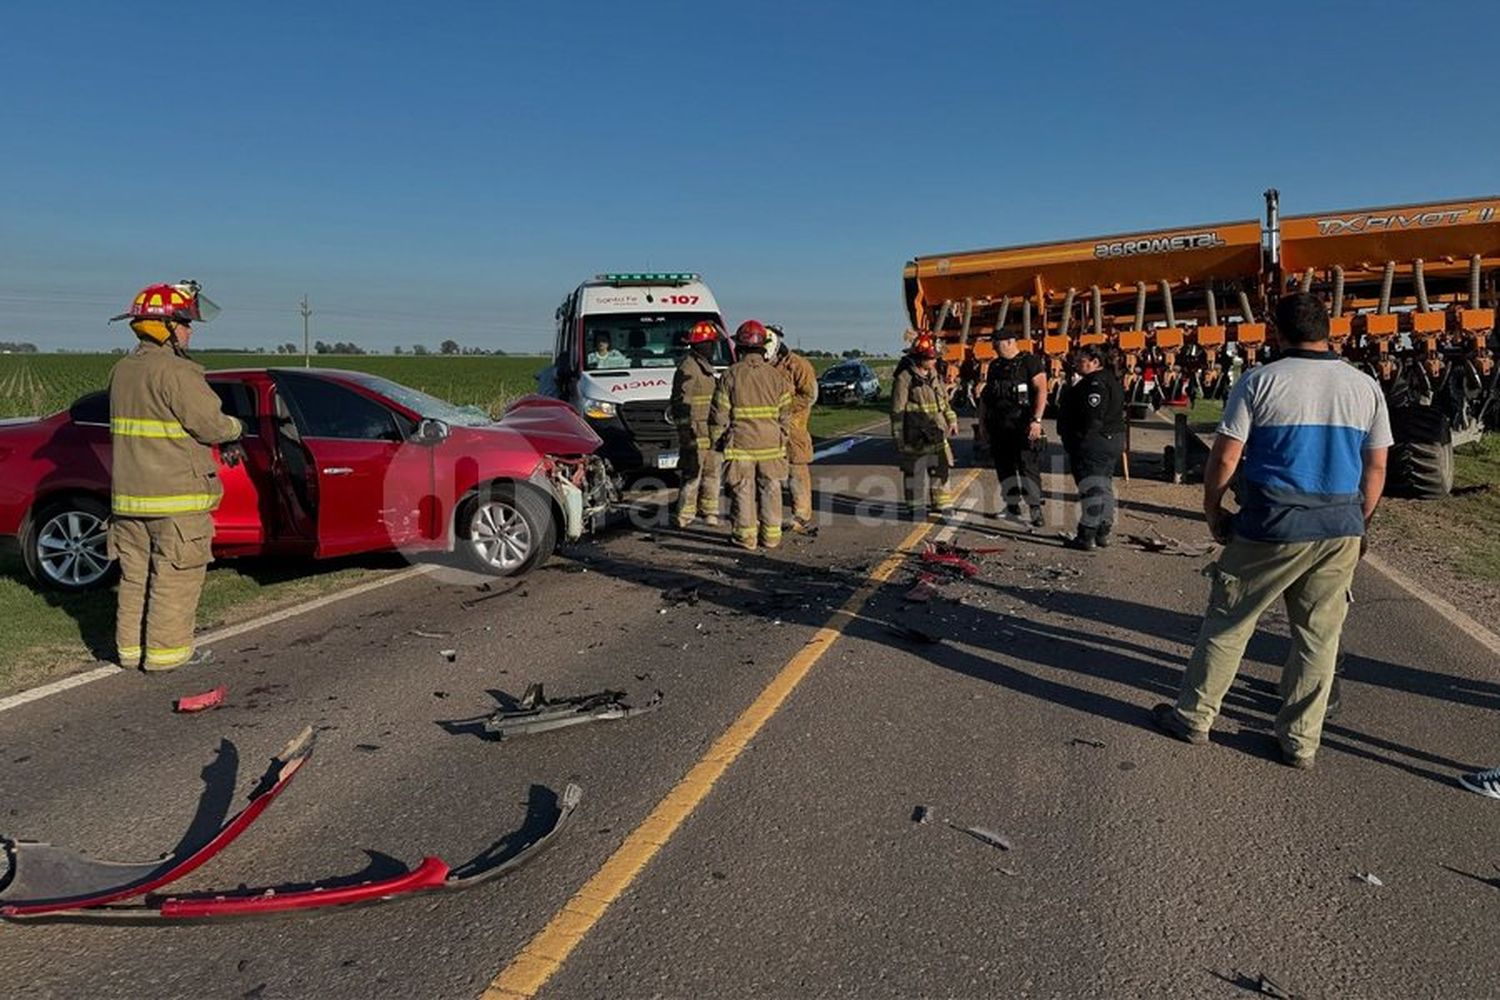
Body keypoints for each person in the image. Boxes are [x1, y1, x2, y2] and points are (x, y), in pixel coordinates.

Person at [1152, 293, 1391, 769]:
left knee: (1230, 621)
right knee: (1318, 638)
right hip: (1339, 528)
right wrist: (1357, 521)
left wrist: (1213, 510)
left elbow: (1225, 457)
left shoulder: (1259, 382)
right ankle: (1300, 743)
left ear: (1276, 331)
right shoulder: (1364, 386)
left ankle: (1195, 717)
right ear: (1329, 328)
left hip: (1271, 524)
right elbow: (1377, 465)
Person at [107, 281, 245, 671]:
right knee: (175, 577)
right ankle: (168, 656)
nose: (190, 330)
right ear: (163, 327)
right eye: (184, 322)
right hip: (175, 499)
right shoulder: (177, 372)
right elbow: (210, 426)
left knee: (134, 579)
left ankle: (129, 652)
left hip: (130, 500)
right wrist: (237, 428)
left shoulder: (123, 371)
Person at [709, 320, 792, 550]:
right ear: (763, 347)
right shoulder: (777, 377)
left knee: (743, 491)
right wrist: (782, 438)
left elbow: (719, 414)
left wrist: (717, 440)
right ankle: (772, 537)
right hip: (771, 445)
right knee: (771, 490)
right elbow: (786, 414)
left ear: (740, 347)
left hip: (741, 445)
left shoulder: (730, 375)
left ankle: (746, 538)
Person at [1056, 345, 1125, 550]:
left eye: (1082, 359)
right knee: (1103, 486)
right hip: (1108, 439)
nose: (1077, 362)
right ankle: (1102, 531)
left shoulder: (1095, 384)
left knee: (1092, 487)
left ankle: (1087, 534)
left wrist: (1080, 440)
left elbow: (1092, 416)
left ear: (1095, 362)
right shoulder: (1109, 379)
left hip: (1094, 442)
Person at [979, 328, 1047, 525]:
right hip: (999, 425)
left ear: (1010, 341)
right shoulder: (994, 366)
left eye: (996, 342)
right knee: (1004, 467)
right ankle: (1011, 506)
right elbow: (986, 397)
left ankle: (1035, 509)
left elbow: (1042, 390)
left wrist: (1037, 420)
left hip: (1023, 424)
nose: (993, 346)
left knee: (1028, 467)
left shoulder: (1030, 362)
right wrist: (982, 423)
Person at [890, 333, 958, 515]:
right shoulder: (904, 378)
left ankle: (942, 504)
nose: (934, 361)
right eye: (930, 358)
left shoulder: (934, 374)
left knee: (940, 468)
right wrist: (899, 437)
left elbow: (943, 401)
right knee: (914, 471)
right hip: (915, 434)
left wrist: (951, 420)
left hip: (937, 431)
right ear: (919, 357)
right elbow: (897, 410)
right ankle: (915, 507)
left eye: (935, 357)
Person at [670, 320, 724, 528]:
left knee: (712, 472)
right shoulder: (689, 368)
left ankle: (709, 511)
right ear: (702, 345)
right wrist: (685, 432)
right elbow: (680, 404)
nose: (713, 348)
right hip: (695, 430)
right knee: (692, 473)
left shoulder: (703, 367)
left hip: (709, 430)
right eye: (711, 344)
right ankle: (684, 514)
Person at [765, 324, 818, 533]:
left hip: (794, 428)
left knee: (797, 470)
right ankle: (770, 516)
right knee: (770, 473)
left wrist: (786, 408)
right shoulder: (763, 365)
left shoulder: (798, 365)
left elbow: (809, 395)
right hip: (770, 428)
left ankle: (801, 516)